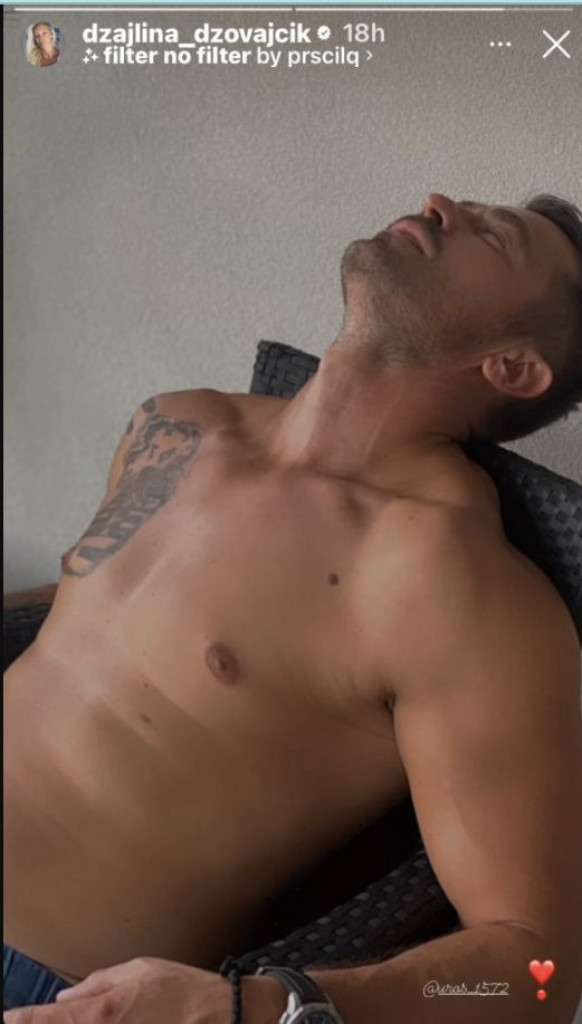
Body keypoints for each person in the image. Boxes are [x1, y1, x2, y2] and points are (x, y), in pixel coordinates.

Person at [4, 192, 582, 1024]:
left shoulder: (453, 584)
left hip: (36, 975)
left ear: (514, 367)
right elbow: (93, 617)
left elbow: (537, 974)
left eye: (496, 236)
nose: (441, 205)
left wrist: (255, 1006)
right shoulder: (178, 419)